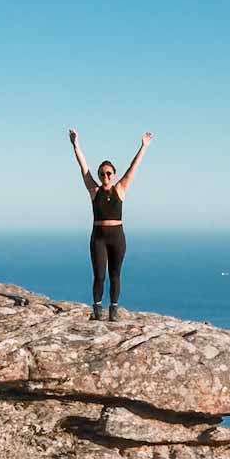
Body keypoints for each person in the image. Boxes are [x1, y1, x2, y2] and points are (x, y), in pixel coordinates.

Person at [68, 128, 152, 320]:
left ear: (114, 174)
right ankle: (97, 308)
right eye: (102, 174)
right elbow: (83, 167)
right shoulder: (94, 190)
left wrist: (143, 147)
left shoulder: (120, 189)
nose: (105, 177)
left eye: (108, 173)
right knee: (99, 275)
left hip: (117, 238)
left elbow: (133, 167)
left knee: (115, 275)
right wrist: (75, 145)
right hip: (98, 238)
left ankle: (113, 309)